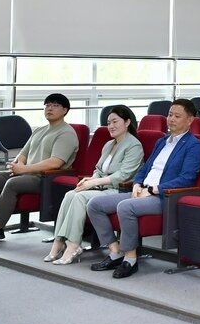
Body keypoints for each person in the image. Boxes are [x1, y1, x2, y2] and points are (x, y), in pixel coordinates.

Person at [87, 99, 200, 279]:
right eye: (170, 114)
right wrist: (136, 184)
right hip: (142, 191)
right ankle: (115, 252)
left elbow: (187, 179)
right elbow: (144, 169)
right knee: (95, 204)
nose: (171, 119)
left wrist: (153, 190)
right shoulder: (162, 142)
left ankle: (130, 259)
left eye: (177, 116)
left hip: (163, 197)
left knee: (125, 206)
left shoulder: (193, 145)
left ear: (190, 120)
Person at [0, 94, 79, 249]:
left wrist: (23, 169)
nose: (49, 108)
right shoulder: (40, 130)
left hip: (46, 178)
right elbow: (23, 154)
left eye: (55, 105)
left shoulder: (66, 133)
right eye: (47, 105)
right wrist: (18, 164)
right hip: (27, 173)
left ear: (65, 110)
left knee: (13, 183)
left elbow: (55, 162)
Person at [43, 106, 143, 265]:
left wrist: (94, 182)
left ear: (127, 122)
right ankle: (58, 242)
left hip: (117, 190)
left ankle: (73, 245)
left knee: (80, 197)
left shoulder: (134, 145)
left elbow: (123, 175)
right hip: (101, 187)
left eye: (115, 121)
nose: (111, 126)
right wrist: (89, 180)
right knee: (70, 194)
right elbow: (98, 169)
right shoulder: (109, 144)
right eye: (109, 122)